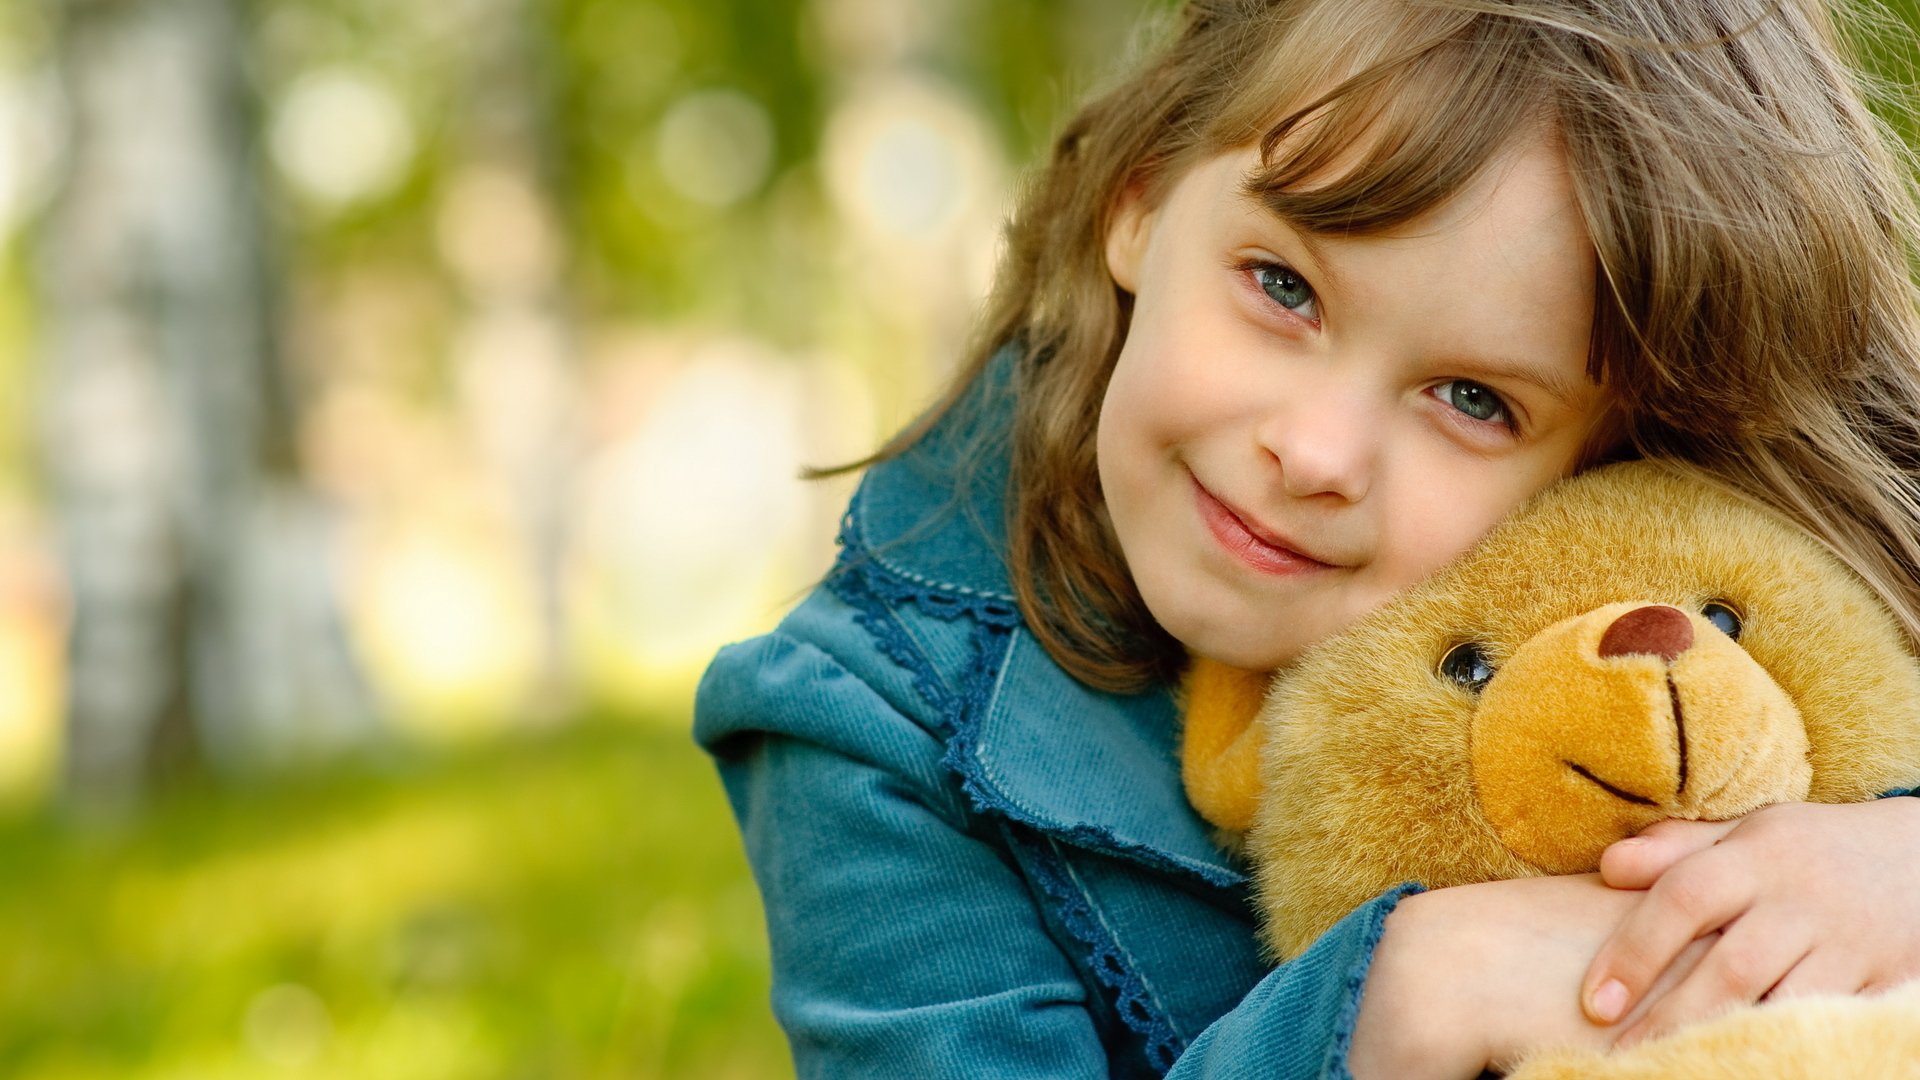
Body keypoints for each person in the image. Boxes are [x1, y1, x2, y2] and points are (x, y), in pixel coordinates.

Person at [694, 0, 1920, 1076]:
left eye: (1474, 399)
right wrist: (1399, 997)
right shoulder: (871, 727)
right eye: (1283, 287)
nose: (1318, 453)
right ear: (1142, 196)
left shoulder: (1716, 594)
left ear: (1609, 449)